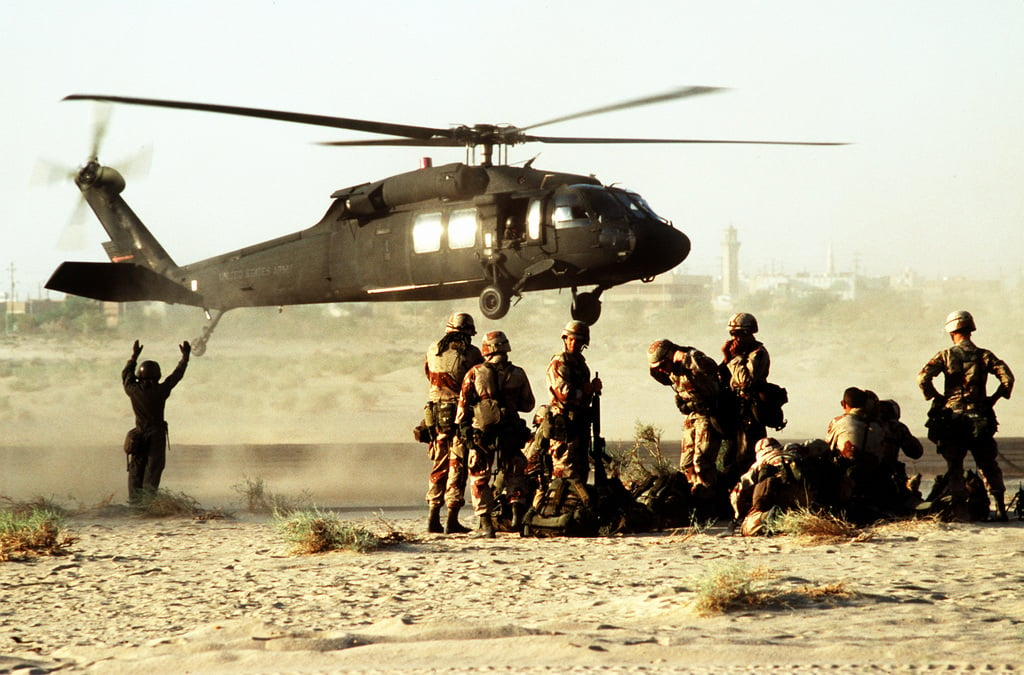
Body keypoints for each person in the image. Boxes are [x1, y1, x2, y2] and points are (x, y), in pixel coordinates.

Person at [918, 310, 1015, 521]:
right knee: (988, 464)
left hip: (954, 420)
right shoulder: (984, 355)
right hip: (980, 418)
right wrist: (994, 399)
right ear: (971, 329)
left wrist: (938, 398)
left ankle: (960, 510)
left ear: (951, 331)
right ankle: (999, 508)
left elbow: (922, 378)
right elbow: (1007, 378)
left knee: (955, 466)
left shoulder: (945, 355)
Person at [455, 330, 536, 537]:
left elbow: (463, 406)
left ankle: (486, 524)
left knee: (479, 475)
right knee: (515, 472)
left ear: (486, 350)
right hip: (510, 430)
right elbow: (528, 404)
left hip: (483, 433)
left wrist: (466, 429)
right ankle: (517, 515)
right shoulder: (518, 373)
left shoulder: (475, 373)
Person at [422, 312, 483, 534]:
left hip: (436, 417)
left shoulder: (432, 349)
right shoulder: (472, 353)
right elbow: (477, 381)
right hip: (459, 417)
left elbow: (429, 375)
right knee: (456, 467)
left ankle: (432, 518)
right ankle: (452, 519)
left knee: (438, 466)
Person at [647, 339, 723, 489]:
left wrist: (685, 358)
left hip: (708, 416)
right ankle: (695, 493)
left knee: (702, 463)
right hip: (691, 418)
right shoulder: (671, 371)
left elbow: (712, 366)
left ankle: (710, 498)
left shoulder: (692, 358)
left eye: (663, 365)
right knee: (687, 465)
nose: (661, 370)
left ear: (671, 356)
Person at [122, 339, 190, 501]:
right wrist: (185, 358)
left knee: (135, 470)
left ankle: (134, 503)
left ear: (140, 376)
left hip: (138, 435)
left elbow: (126, 376)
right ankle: (148, 503)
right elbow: (176, 376)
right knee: (153, 470)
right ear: (157, 375)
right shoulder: (161, 390)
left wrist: (133, 357)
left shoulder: (133, 390)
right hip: (156, 435)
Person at [545, 320, 602, 482]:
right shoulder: (559, 363)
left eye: (578, 340)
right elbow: (564, 394)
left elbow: (584, 398)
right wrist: (588, 389)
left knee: (580, 472)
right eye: (571, 339)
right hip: (564, 427)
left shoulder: (581, 365)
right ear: (565, 339)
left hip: (580, 426)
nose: (574, 343)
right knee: (563, 475)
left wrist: (591, 390)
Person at [719, 312, 770, 485]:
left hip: (750, 411)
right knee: (730, 457)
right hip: (735, 411)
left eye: (740, 334)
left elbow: (744, 381)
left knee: (746, 458)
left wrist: (734, 358)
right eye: (733, 334)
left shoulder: (758, 354)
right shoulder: (737, 355)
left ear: (750, 333)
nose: (736, 338)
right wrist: (727, 358)